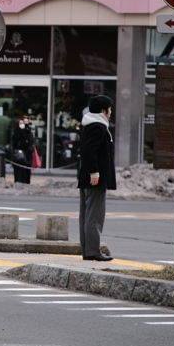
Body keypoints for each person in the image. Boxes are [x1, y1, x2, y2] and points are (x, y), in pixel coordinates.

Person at [77, 95, 115, 262]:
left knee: (86, 215)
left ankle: (88, 250)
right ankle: (93, 251)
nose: (111, 112)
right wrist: (95, 173)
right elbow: (89, 152)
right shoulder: (98, 127)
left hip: (87, 177)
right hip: (95, 178)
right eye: (110, 109)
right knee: (95, 216)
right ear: (103, 111)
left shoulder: (88, 125)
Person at [11, 118, 35, 184]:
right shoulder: (16, 133)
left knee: (26, 170)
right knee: (19, 170)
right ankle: (19, 182)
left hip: (26, 155)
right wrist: (25, 142)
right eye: (21, 123)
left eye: (23, 123)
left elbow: (30, 141)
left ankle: (25, 182)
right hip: (20, 155)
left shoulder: (27, 132)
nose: (23, 125)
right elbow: (17, 144)